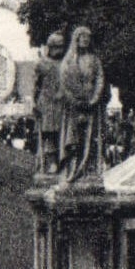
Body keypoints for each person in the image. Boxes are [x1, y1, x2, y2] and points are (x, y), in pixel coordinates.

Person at [58, 27, 105, 183]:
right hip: (74, 107)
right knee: (74, 140)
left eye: (88, 38)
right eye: (82, 38)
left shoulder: (94, 60)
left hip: (91, 106)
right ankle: (72, 170)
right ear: (76, 40)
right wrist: (74, 100)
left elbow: (100, 80)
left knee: (90, 139)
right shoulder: (69, 60)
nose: (85, 41)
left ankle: (88, 170)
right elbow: (64, 82)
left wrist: (94, 98)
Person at [32, 33, 65, 177]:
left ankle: (63, 162)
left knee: (62, 133)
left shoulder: (66, 63)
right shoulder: (41, 64)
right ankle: (51, 162)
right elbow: (35, 85)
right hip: (46, 102)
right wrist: (34, 102)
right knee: (49, 134)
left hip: (62, 102)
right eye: (56, 47)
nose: (59, 50)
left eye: (61, 47)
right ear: (50, 47)